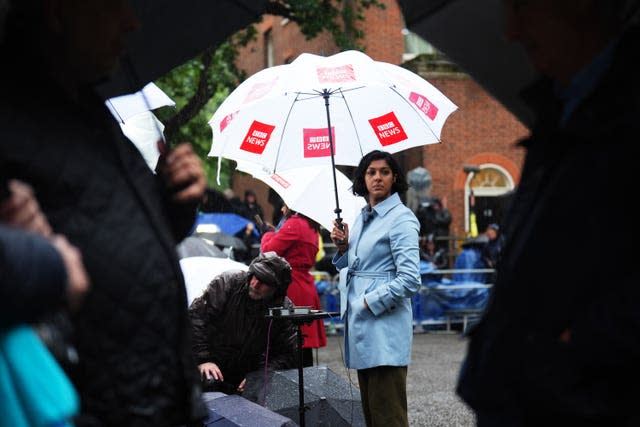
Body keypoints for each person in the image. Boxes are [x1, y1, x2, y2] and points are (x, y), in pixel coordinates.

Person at [0, 2, 208, 425]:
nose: (132, 23)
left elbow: (123, 232)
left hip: (157, 397)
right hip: (88, 405)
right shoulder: (12, 118)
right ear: (59, 13)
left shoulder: (91, 111)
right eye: (114, 7)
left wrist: (173, 200)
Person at [456, 1, 640, 425]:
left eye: (526, 8)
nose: (512, 32)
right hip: (527, 397)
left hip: (579, 400)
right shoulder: (562, 109)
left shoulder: (624, 110)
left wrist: (574, 344)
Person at [330, 150, 421, 427]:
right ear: (363, 178)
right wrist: (344, 247)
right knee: (372, 415)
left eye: (384, 172)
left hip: (383, 329)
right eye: (371, 172)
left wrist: (370, 302)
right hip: (363, 327)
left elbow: (410, 279)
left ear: (395, 178)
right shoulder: (362, 217)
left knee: (388, 416)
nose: (377, 178)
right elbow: (358, 265)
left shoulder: (401, 219)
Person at [188, 252, 297, 394]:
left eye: (264, 282)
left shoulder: (284, 309)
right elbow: (196, 319)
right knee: (208, 381)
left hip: (248, 371)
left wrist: (263, 375)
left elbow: (287, 353)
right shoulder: (228, 283)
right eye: (255, 277)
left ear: (276, 289)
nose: (256, 284)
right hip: (212, 360)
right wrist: (203, 359)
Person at [260, 203, 328, 367]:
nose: (282, 209)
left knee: (288, 344)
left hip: (291, 287)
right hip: (304, 286)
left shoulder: (295, 223)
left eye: (284, 205)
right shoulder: (311, 226)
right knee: (303, 345)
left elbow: (268, 251)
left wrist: (267, 234)